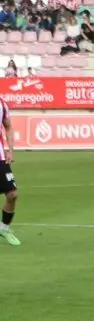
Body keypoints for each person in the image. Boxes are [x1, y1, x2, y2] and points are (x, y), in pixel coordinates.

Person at [0, 97, 20, 246]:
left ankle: (4, 229)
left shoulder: (2, 104)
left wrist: (10, 151)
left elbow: (8, 127)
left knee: (12, 194)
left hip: (0, 158)